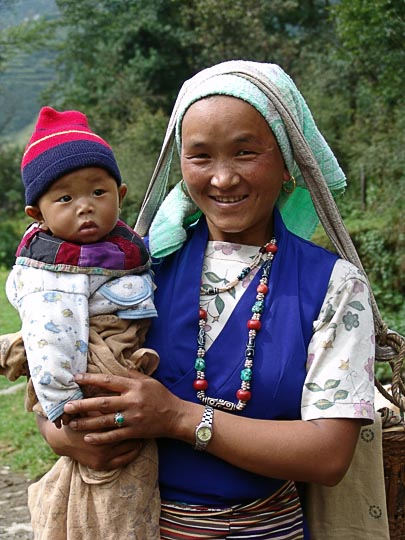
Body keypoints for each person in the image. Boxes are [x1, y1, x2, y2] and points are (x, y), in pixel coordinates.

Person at [34, 62, 379, 539]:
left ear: (287, 163)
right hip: (135, 524)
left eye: (245, 152)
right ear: (180, 164)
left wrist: (178, 417)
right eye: (200, 157)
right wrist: (65, 438)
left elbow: (328, 455)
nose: (222, 179)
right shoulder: (133, 270)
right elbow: (57, 375)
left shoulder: (335, 286)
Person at [3, 107, 161, 539]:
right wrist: (62, 410)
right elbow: (53, 338)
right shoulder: (50, 272)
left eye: (97, 191)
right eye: (65, 199)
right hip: (84, 378)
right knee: (117, 481)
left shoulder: (124, 246)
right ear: (37, 214)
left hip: (118, 352)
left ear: (121, 193)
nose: (85, 208)